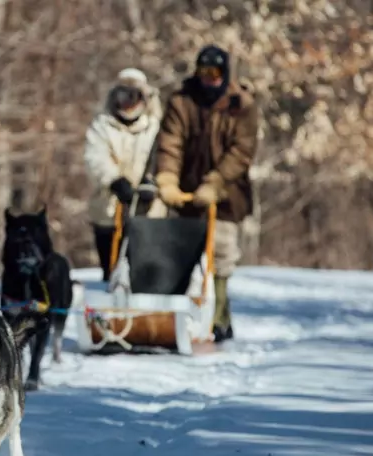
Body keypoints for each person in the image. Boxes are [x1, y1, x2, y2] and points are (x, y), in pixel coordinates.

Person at [155, 45, 259, 342]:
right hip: (187, 191)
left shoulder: (242, 105)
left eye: (214, 74)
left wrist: (216, 183)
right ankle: (174, 315)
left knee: (222, 253)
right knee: (179, 252)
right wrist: (167, 179)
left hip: (227, 196)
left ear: (225, 75)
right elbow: (170, 142)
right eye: (203, 73)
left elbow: (242, 151)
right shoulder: (181, 101)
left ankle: (220, 316)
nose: (208, 80)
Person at [83, 67, 166, 280]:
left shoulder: (155, 127)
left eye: (133, 96)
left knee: (143, 273)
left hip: (147, 209)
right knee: (112, 271)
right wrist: (114, 180)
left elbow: (164, 157)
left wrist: (152, 182)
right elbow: (95, 157)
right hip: (109, 209)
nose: (127, 102)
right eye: (122, 95)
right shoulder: (102, 125)